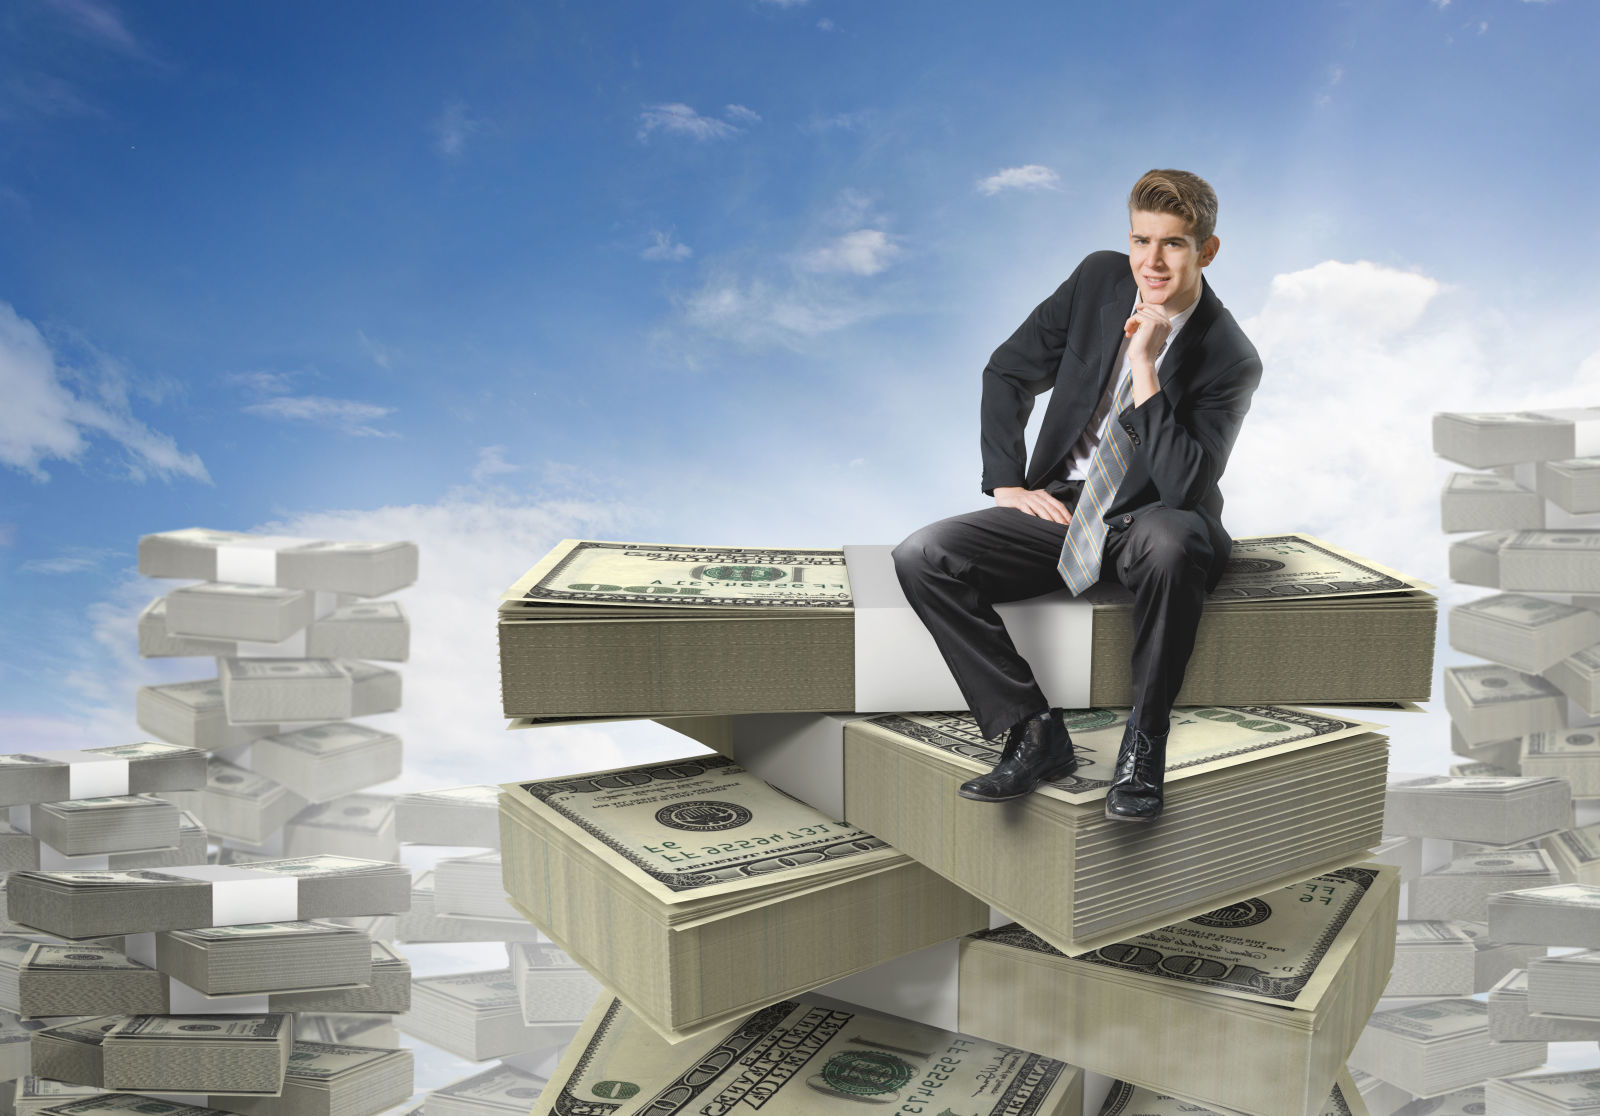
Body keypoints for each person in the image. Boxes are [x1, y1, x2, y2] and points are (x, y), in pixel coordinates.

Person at [891, 168, 1262, 823]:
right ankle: (1035, 731)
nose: (1151, 261)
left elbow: (1183, 484)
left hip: (1157, 516)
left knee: (1174, 543)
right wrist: (1008, 480)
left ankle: (1142, 752)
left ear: (1206, 250)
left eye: (1172, 244)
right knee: (923, 554)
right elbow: (1008, 371)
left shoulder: (1230, 355)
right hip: (1066, 505)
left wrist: (1145, 367)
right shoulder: (1098, 279)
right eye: (1140, 241)